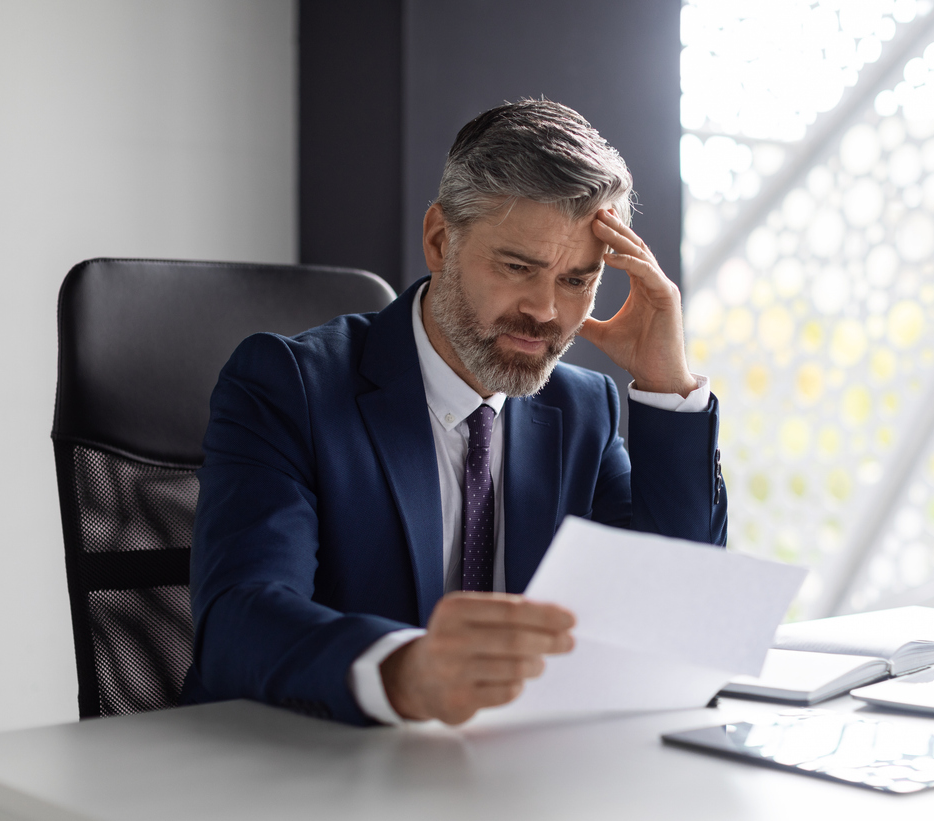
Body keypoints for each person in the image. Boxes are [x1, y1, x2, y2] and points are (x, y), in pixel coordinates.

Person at [183, 100, 727, 726]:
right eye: (518, 267)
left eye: (578, 280)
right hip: (314, 765)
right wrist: (404, 671)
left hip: (513, 777)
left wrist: (666, 385)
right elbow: (238, 619)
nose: (547, 310)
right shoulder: (288, 387)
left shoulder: (583, 408)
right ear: (441, 241)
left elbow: (678, 606)